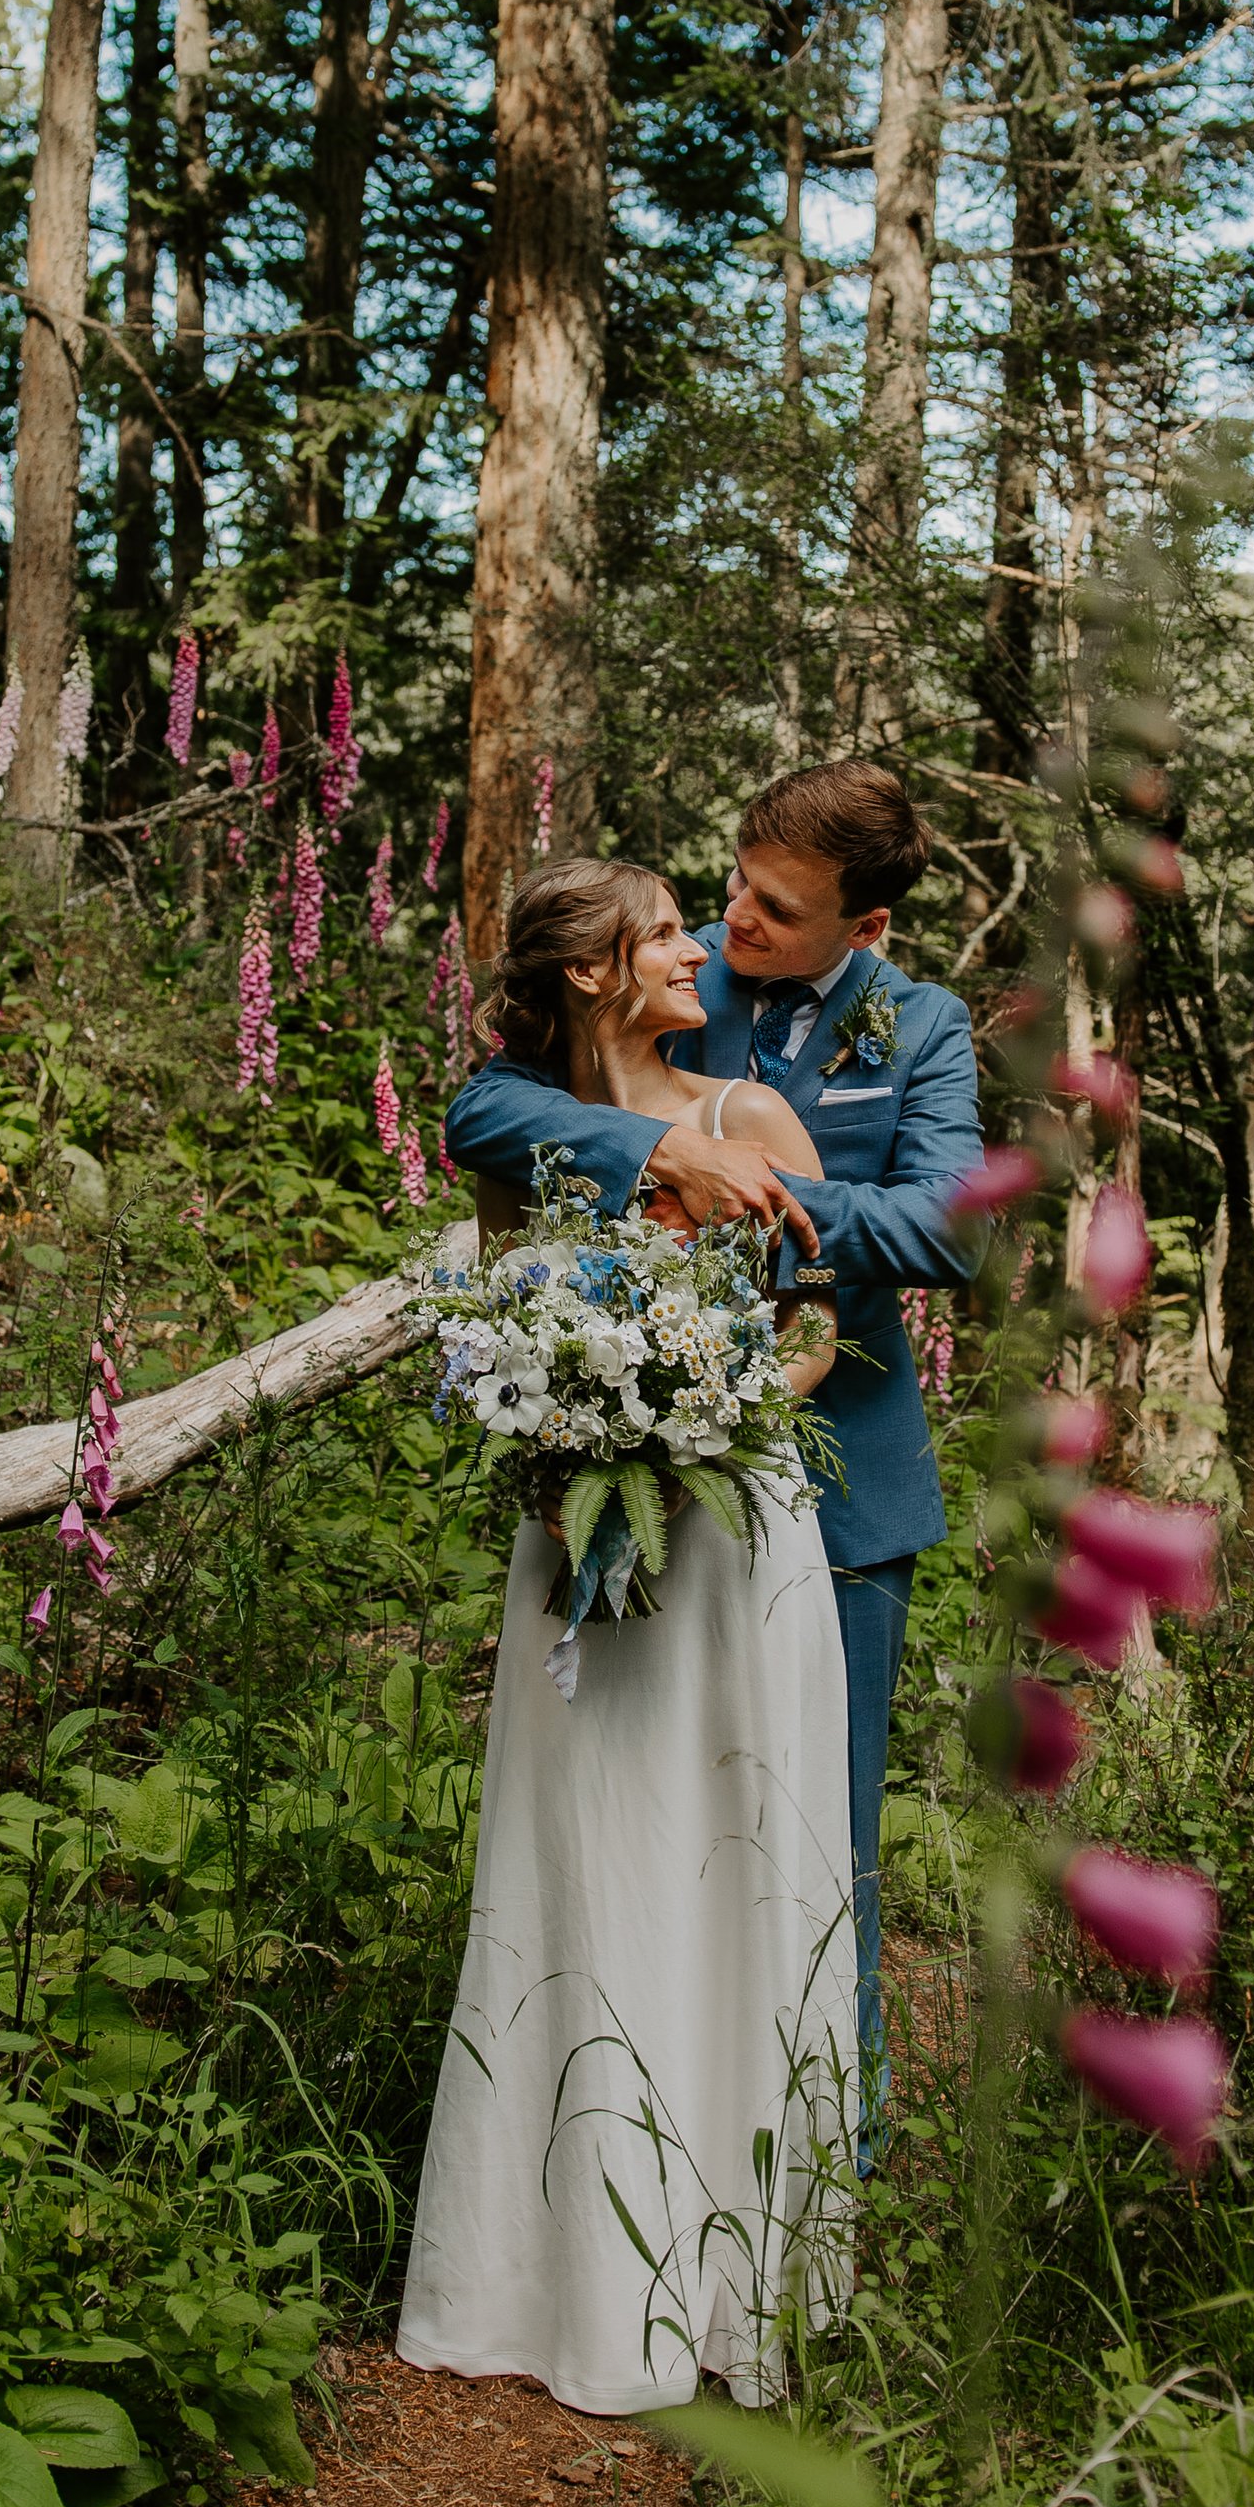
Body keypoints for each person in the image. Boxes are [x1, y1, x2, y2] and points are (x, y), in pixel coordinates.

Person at [446, 758, 983, 2114]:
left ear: (863, 928)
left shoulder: (922, 1029)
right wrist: (662, 1161)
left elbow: (947, 1226)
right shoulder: (682, 977)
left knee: (816, 1849)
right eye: (736, 881)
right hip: (630, 1465)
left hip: (839, 1494)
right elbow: (490, 1109)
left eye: (775, 906)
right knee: (629, 1828)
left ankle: (818, 2186)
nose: (736, 917)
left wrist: (775, 1201)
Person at [396, 860, 856, 2413]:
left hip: (727, 1531)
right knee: (579, 1855)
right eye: (663, 930)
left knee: (727, 1853)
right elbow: (493, 1258)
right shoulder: (518, 1124)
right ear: (591, 971)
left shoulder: (759, 1116)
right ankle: (549, 2274)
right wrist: (584, 1411)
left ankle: (729, 2275)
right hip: (571, 1540)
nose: (697, 948)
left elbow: (821, 1327)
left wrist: (702, 1412)